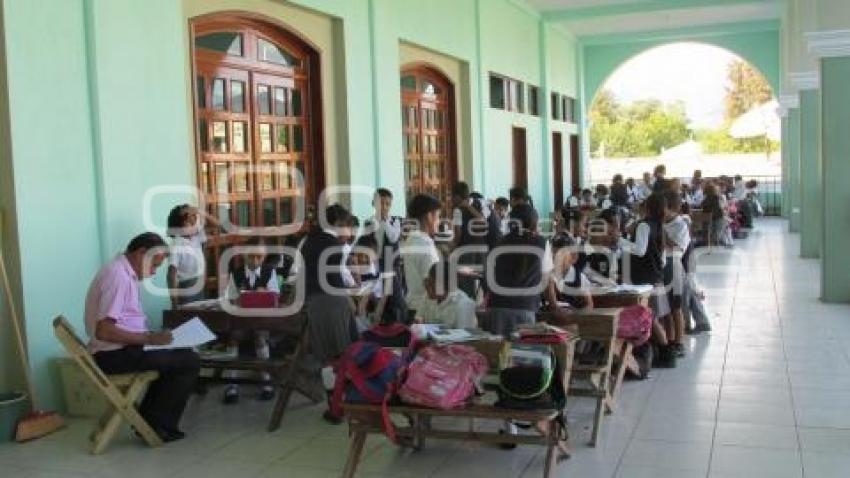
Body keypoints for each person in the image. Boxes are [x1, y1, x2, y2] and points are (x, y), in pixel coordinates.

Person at [86, 232, 200, 442]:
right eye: (154, 265)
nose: (154, 271)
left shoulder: (121, 271)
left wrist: (151, 338)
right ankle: (156, 424)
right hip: (113, 355)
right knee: (189, 361)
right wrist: (149, 340)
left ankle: (153, 421)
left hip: (119, 350)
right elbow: (104, 330)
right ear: (141, 254)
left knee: (181, 354)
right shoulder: (118, 277)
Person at [301, 203, 359, 423]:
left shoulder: (309, 241)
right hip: (334, 303)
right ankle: (344, 405)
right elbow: (335, 280)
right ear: (338, 224)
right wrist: (348, 301)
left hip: (315, 303)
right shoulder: (334, 245)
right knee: (344, 355)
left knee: (326, 358)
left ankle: (333, 408)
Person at [484, 204, 564, 337]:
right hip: (525, 308)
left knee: (498, 352)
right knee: (524, 353)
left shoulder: (500, 242)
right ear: (534, 223)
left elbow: (489, 275)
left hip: (497, 307)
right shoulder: (541, 243)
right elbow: (547, 280)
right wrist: (554, 306)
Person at [617, 193, 676, 367]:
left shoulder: (644, 225)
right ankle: (662, 352)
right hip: (656, 276)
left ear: (647, 207)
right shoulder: (660, 226)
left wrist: (619, 240)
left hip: (645, 279)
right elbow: (663, 258)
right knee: (654, 317)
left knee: (651, 318)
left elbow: (640, 250)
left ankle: (666, 354)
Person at [221, 237, 280, 404]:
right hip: (241, 319)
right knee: (233, 338)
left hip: (262, 319)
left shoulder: (270, 272)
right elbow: (230, 297)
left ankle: (266, 381)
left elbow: (275, 296)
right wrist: (237, 299)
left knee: (260, 337)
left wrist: (266, 294)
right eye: (250, 256)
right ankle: (232, 384)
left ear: (265, 256)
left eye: (259, 257)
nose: (255, 261)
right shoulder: (237, 272)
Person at [401, 194, 443, 322]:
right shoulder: (423, 244)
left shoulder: (412, 240)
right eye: (438, 216)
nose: (439, 221)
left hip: (414, 305)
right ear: (429, 216)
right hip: (424, 311)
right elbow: (431, 283)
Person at [166, 204, 218, 306]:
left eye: (195, 217)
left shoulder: (196, 236)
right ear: (182, 223)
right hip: (186, 287)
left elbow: (216, 225)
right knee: (189, 314)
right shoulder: (176, 244)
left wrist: (201, 212)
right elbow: (171, 274)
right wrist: (174, 300)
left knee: (201, 313)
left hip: (201, 282)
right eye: (191, 218)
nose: (195, 220)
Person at [662, 191, 690, 357]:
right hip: (661, 265)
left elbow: (678, 247)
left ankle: (679, 341)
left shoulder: (680, 225)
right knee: (664, 307)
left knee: (675, 307)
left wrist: (662, 235)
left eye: (664, 210)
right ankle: (669, 339)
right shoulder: (660, 223)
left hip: (674, 265)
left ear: (672, 210)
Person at [451, 181, 487, 300]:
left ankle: (467, 306)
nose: (451, 199)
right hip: (481, 254)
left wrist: (452, 248)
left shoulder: (458, 211)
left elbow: (458, 234)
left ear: (457, 196)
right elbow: (483, 220)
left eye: (452, 196)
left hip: (466, 253)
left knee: (465, 285)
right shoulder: (479, 204)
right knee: (482, 281)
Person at [424, 261, 478, 329]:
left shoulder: (464, 303)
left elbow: (465, 336)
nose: (426, 286)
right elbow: (419, 322)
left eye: (431, 283)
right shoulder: (427, 298)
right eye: (427, 281)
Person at [550, 234, 594, 310]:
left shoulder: (580, 278)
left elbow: (589, 305)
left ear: (574, 257)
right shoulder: (549, 278)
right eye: (553, 254)